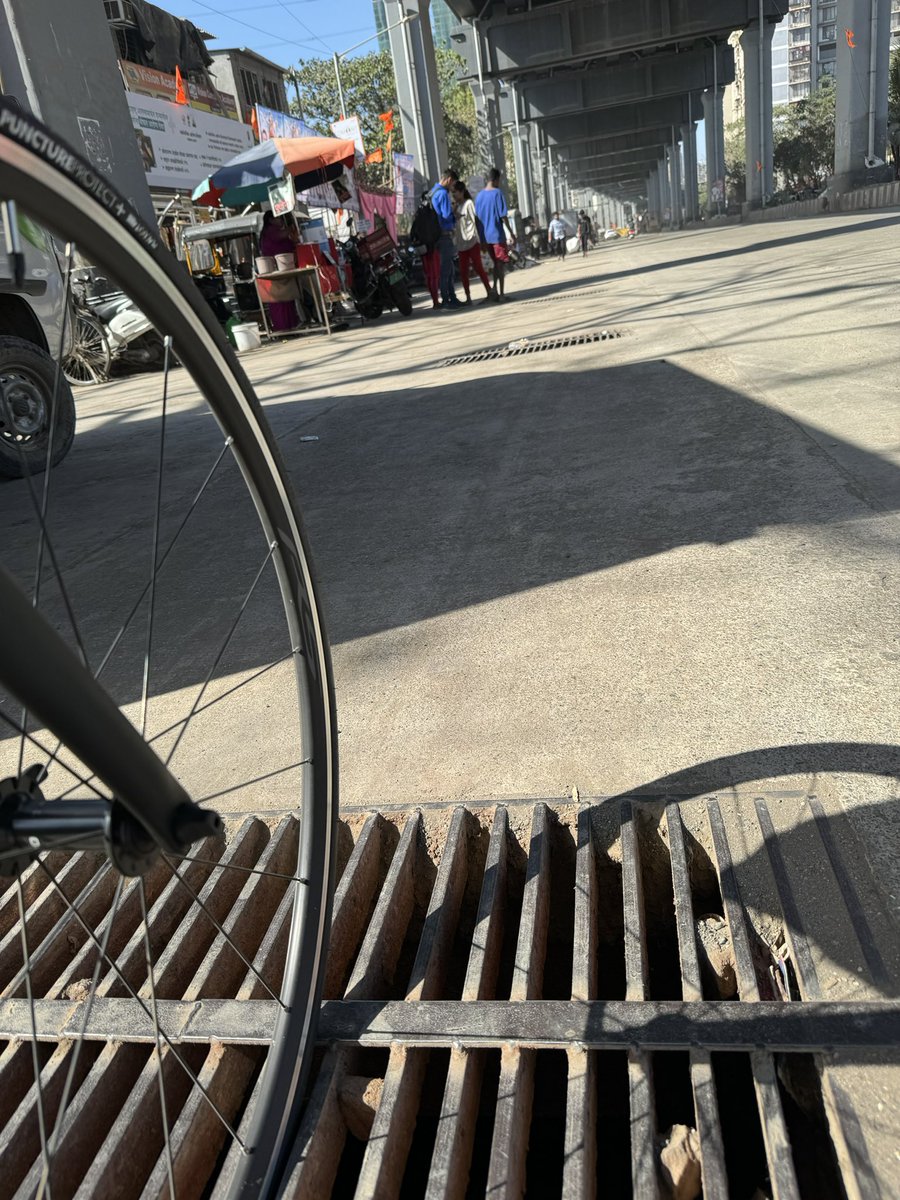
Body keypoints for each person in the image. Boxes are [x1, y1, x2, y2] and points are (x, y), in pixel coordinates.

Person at [475, 167, 515, 300]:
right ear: (497, 179)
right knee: (500, 264)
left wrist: (481, 238)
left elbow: (477, 219)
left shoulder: (479, 196)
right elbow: (503, 216)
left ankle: (494, 290)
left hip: (485, 237)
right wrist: (511, 232)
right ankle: (501, 294)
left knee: (495, 264)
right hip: (497, 235)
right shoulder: (498, 193)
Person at [452, 180, 495, 304]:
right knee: (463, 271)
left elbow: (476, 220)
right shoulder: (457, 206)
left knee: (478, 267)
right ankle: (468, 297)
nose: (453, 195)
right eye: (452, 193)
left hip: (472, 241)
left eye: (455, 192)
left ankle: (489, 291)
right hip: (461, 244)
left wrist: (482, 239)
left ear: (461, 192)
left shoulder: (469, 204)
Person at [259, 211, 300, 331]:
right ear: (271, 220)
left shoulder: (276, 231)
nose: (281, 220)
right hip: (276, 271)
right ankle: (283, 327)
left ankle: (291, 325)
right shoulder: (270, 231)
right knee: (280, 302)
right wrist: (290, 226)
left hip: (286, 268)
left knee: (288, 300)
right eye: (278, 218)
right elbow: (281, 236)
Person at [431, 168, 461, 308]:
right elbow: (446, 216)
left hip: (436, 236)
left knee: (446, 269)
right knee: (447, 270)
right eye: (453, 183)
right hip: (444, 236)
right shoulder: (443, 194)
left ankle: (450, 297)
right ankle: (447, 300)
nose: (452, 187)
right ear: (449, 179)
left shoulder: (432, 192)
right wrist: (455, 216)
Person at [410, 190, 442, 309]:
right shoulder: (431, 212)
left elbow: (412, 233)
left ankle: (435, 300)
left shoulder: (418, 214)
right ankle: (436, 301)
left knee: (429, 276)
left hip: (423, 250)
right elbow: (436, 230)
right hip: (432, 249)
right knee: (434, 276)